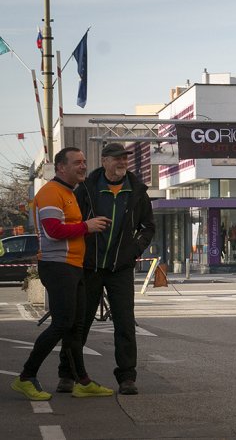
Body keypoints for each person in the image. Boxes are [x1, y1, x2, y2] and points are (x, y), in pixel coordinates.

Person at [10, 147, 113, 401]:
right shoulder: (50, 192)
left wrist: (86, 227)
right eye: (77, 162)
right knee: (62, 324)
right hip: (58, 267)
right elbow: (53, 230)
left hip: (72, 267)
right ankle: (25, 377)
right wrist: (87, 226)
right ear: (61, 167)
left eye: (84, 161)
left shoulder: (68, 193)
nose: (83, 166)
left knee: (75, 327)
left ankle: (82, 382)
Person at [56, 142, 156, 396]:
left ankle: (127, 377)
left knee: (125, 324)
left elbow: (148, 227)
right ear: (104, 161)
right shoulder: (87, 189)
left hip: (120, 268)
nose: (122, 162)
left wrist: (134, 250)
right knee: (80, 322)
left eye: (125, 158)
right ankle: (67, 373)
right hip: (89, 266)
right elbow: (72, 221)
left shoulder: (136, 191)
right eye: (116, 158)